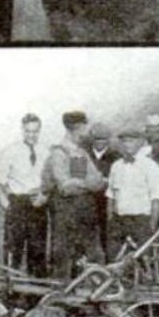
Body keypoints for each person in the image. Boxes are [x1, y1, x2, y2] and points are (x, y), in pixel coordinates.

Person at [44, 111, 106, 279]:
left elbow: (99, 182)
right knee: (63, 256)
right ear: (77, 128)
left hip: (86, 211)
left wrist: (81, 183)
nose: (87, 131)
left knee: (94, 255)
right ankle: (61, 297)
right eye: (85, 127)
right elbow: (65, 187)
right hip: (66, 213)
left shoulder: (81, 153)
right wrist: (87, 184)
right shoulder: (59, 153)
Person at [0, 113, 50, 276]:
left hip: (38, 205)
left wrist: (44, 198)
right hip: (17, 203)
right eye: (28, 131)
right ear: (22, 130)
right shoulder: (10, 151)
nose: (31, 135)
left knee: (38, 252)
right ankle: (10, 296)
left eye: (35, 131)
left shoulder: (46, 152)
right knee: (13, 251)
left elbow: (50, 183)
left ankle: (35, 297)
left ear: (39, 131)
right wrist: (9, 207)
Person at [104, 128, 159, 260]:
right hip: (118, 222)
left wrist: (151, 227)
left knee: (143, 262)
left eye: (131, 141)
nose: (127, 145)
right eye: (124, 141)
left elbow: (157, 198)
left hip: (141, 222)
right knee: (115, 261)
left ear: (141, 143)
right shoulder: (116, 166)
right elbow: (111, 196)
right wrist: (110, 220)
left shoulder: (151, 166)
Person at [85, 122, 121, 253]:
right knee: (85, 237)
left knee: (108, 237)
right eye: (96, 139)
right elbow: (76, 178)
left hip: (107, 202)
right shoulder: (81, 154)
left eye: (103, 139)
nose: (99, 142)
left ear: (109, 140)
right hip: (87, 201)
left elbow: (118, 181)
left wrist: (103, 182)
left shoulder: (117, 157)